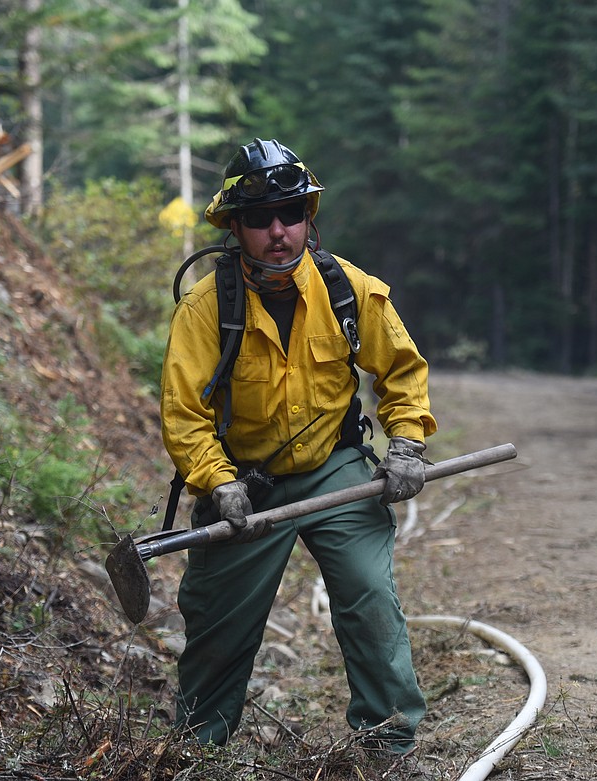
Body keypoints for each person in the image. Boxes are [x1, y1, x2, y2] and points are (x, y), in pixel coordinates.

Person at [159, 138, 437, 760]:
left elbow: (400, 371)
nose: (277, 231)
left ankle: (388, 744)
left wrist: (408, 445)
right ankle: (198, 751)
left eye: (290, 214)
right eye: (258, 219)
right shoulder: (207, 307)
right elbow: (184, 413)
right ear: (235, 228)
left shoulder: (350, 289)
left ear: (310, 218)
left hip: (333, 468)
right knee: (219, 623)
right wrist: (217, 482)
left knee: (369, 597)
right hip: (245, 484)